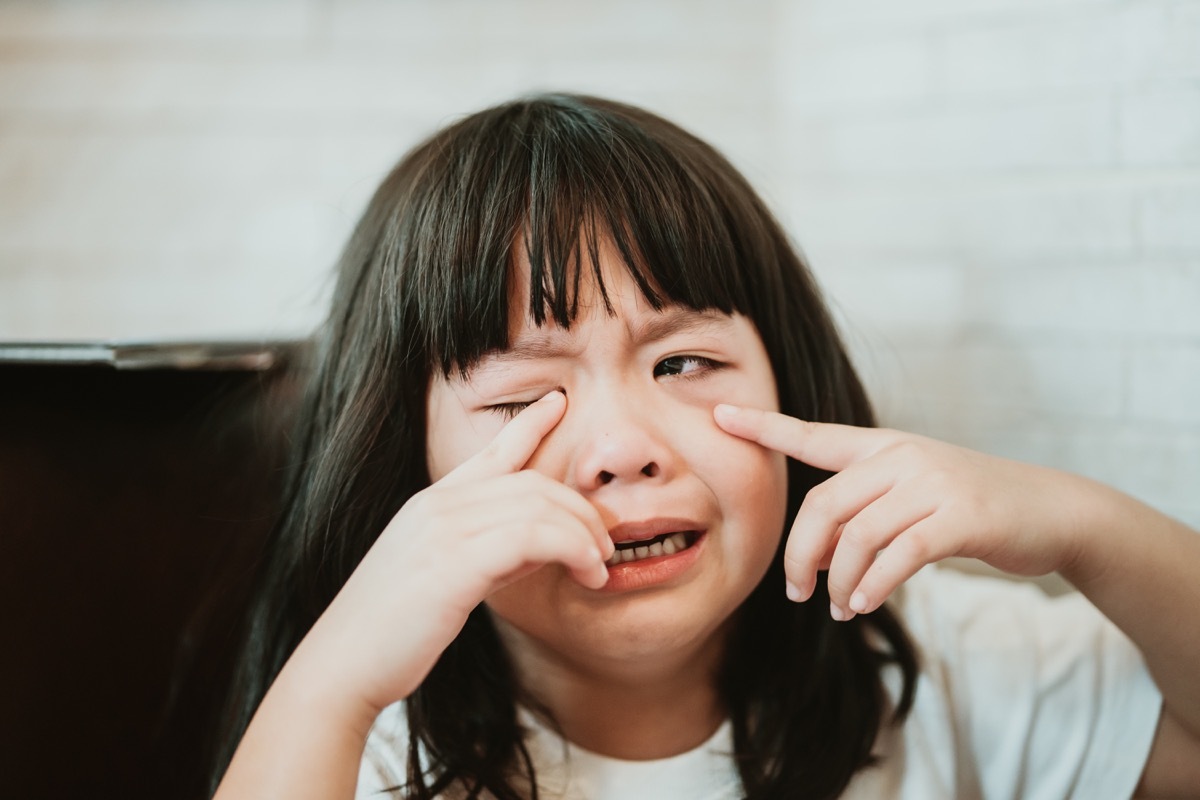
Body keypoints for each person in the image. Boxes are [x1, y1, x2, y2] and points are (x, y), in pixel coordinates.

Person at [210, 94, 1200, 799]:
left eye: (683, 362)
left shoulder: (935, 662)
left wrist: (1082, 525)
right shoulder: (366, 747)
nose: (622, 447)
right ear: (404, 460)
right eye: (525, 398)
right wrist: (336, 671)